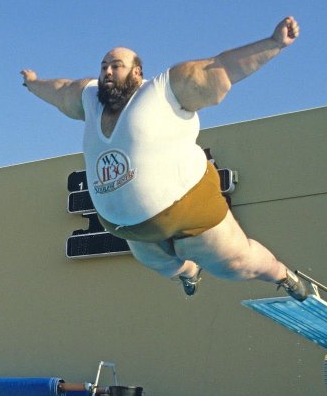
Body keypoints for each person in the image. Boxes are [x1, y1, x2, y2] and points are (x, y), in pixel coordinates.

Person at [21, 17, 306, 300]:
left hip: (189, 203)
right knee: (161, 263)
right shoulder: (89, 98)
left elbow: (223, 67)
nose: (108, 71)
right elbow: (59, 90)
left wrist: (273, 43)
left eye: (116, 66)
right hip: (131, 228)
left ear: (137, 72)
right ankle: (188, 272)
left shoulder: (163, 90)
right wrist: (34, 84)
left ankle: (282, 275)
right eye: (104, 66)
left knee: (235, 265)